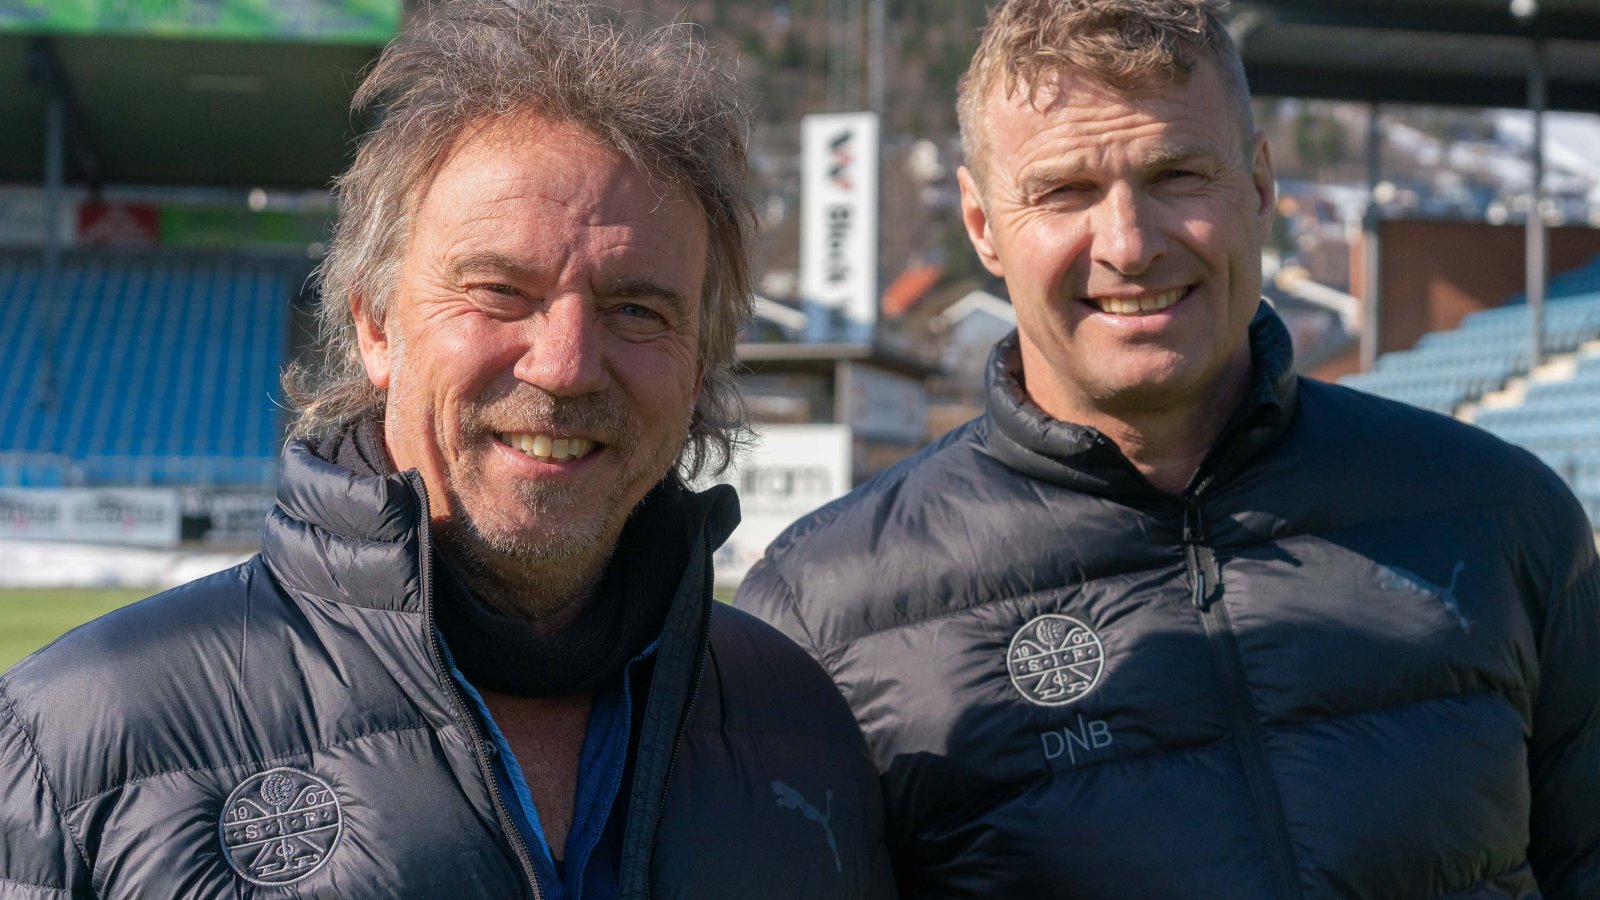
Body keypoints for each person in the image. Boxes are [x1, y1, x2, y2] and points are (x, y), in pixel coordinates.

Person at [0, 3, 896, 897]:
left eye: (635, 309)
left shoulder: (804, 727)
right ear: (375, 325)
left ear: (698, 367)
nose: (566, 365)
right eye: (499, 290)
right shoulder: (73, 745)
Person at [736, 0, 1600, 896]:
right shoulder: (823, 614)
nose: (1130, 245)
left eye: (1178, 175)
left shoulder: (1504, 518)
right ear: (983, 225)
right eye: (1064, 191)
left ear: (1258, 187)